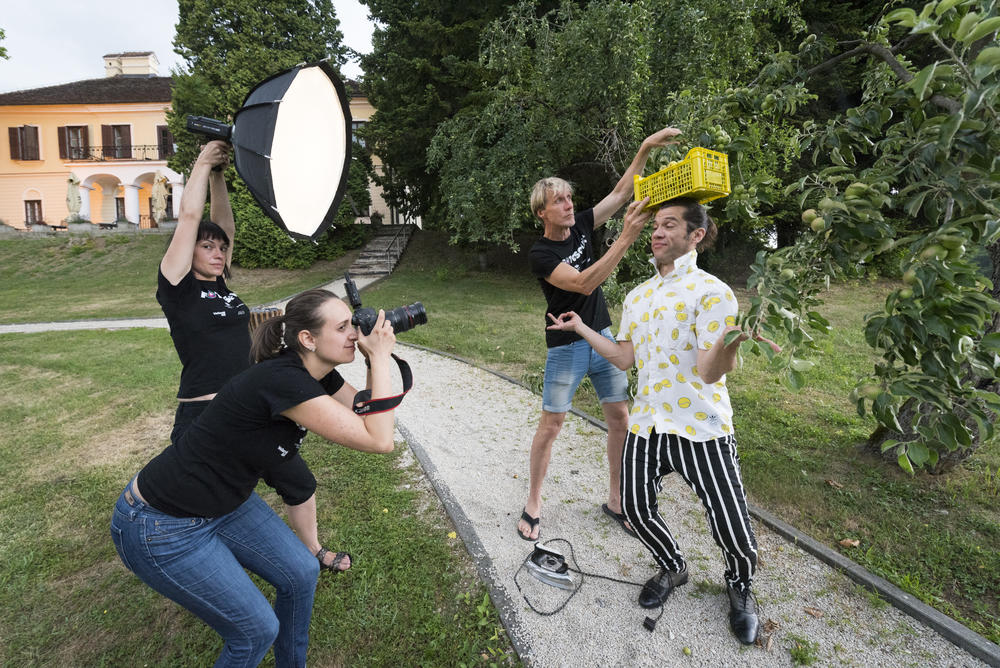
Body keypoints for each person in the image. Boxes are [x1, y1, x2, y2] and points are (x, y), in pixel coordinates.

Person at [111, 289, 399, 667]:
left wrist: (370, 360)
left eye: (353, 323)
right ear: (307, 339)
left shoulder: (317, 375)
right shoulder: (282, 380)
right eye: (343, 326)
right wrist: (379, 356)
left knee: (300, 571)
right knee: (254, 631)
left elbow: (366, 411)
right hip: (161, 524)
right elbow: (379, 440)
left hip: (225, 504)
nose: (354, 333)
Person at [545, 197, 779, 645]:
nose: (656, 233)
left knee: (731, 525)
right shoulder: (639, 296)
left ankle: (740, 583)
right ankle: (673, 566)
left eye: (669, 225)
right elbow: (624, 357)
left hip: (701, 429)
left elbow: (710, 372)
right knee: (633, 507)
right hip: (648, 425)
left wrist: (733, 339)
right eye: (656, 225)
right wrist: (581, 328)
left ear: (695, 236)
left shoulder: (714, 293)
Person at [157, 141, 344, 572]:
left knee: (299, 483)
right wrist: (203, 163)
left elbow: (225, 226)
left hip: (250, 410)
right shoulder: (178, 287)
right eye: (207, 247)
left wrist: (221, 176)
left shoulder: (222, 282)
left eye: (221, 249)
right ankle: (195, 553)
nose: (218, 252)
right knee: (209, 500)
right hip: (204, 415)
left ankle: (312, 551)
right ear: (188, 253)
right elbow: (191, 218)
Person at [517, 126, 681, 542]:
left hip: (601, 335)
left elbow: (622, 193)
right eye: (559, 201)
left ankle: (616, 499)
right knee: (552, 426)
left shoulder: (583, 224)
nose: (570, 205)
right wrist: (627, 235)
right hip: (567, 345)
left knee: (619, 419)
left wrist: (644, 147)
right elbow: (585, 283)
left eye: (570, 198)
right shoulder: (541, 253)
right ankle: (533, 502)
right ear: (542, 213)